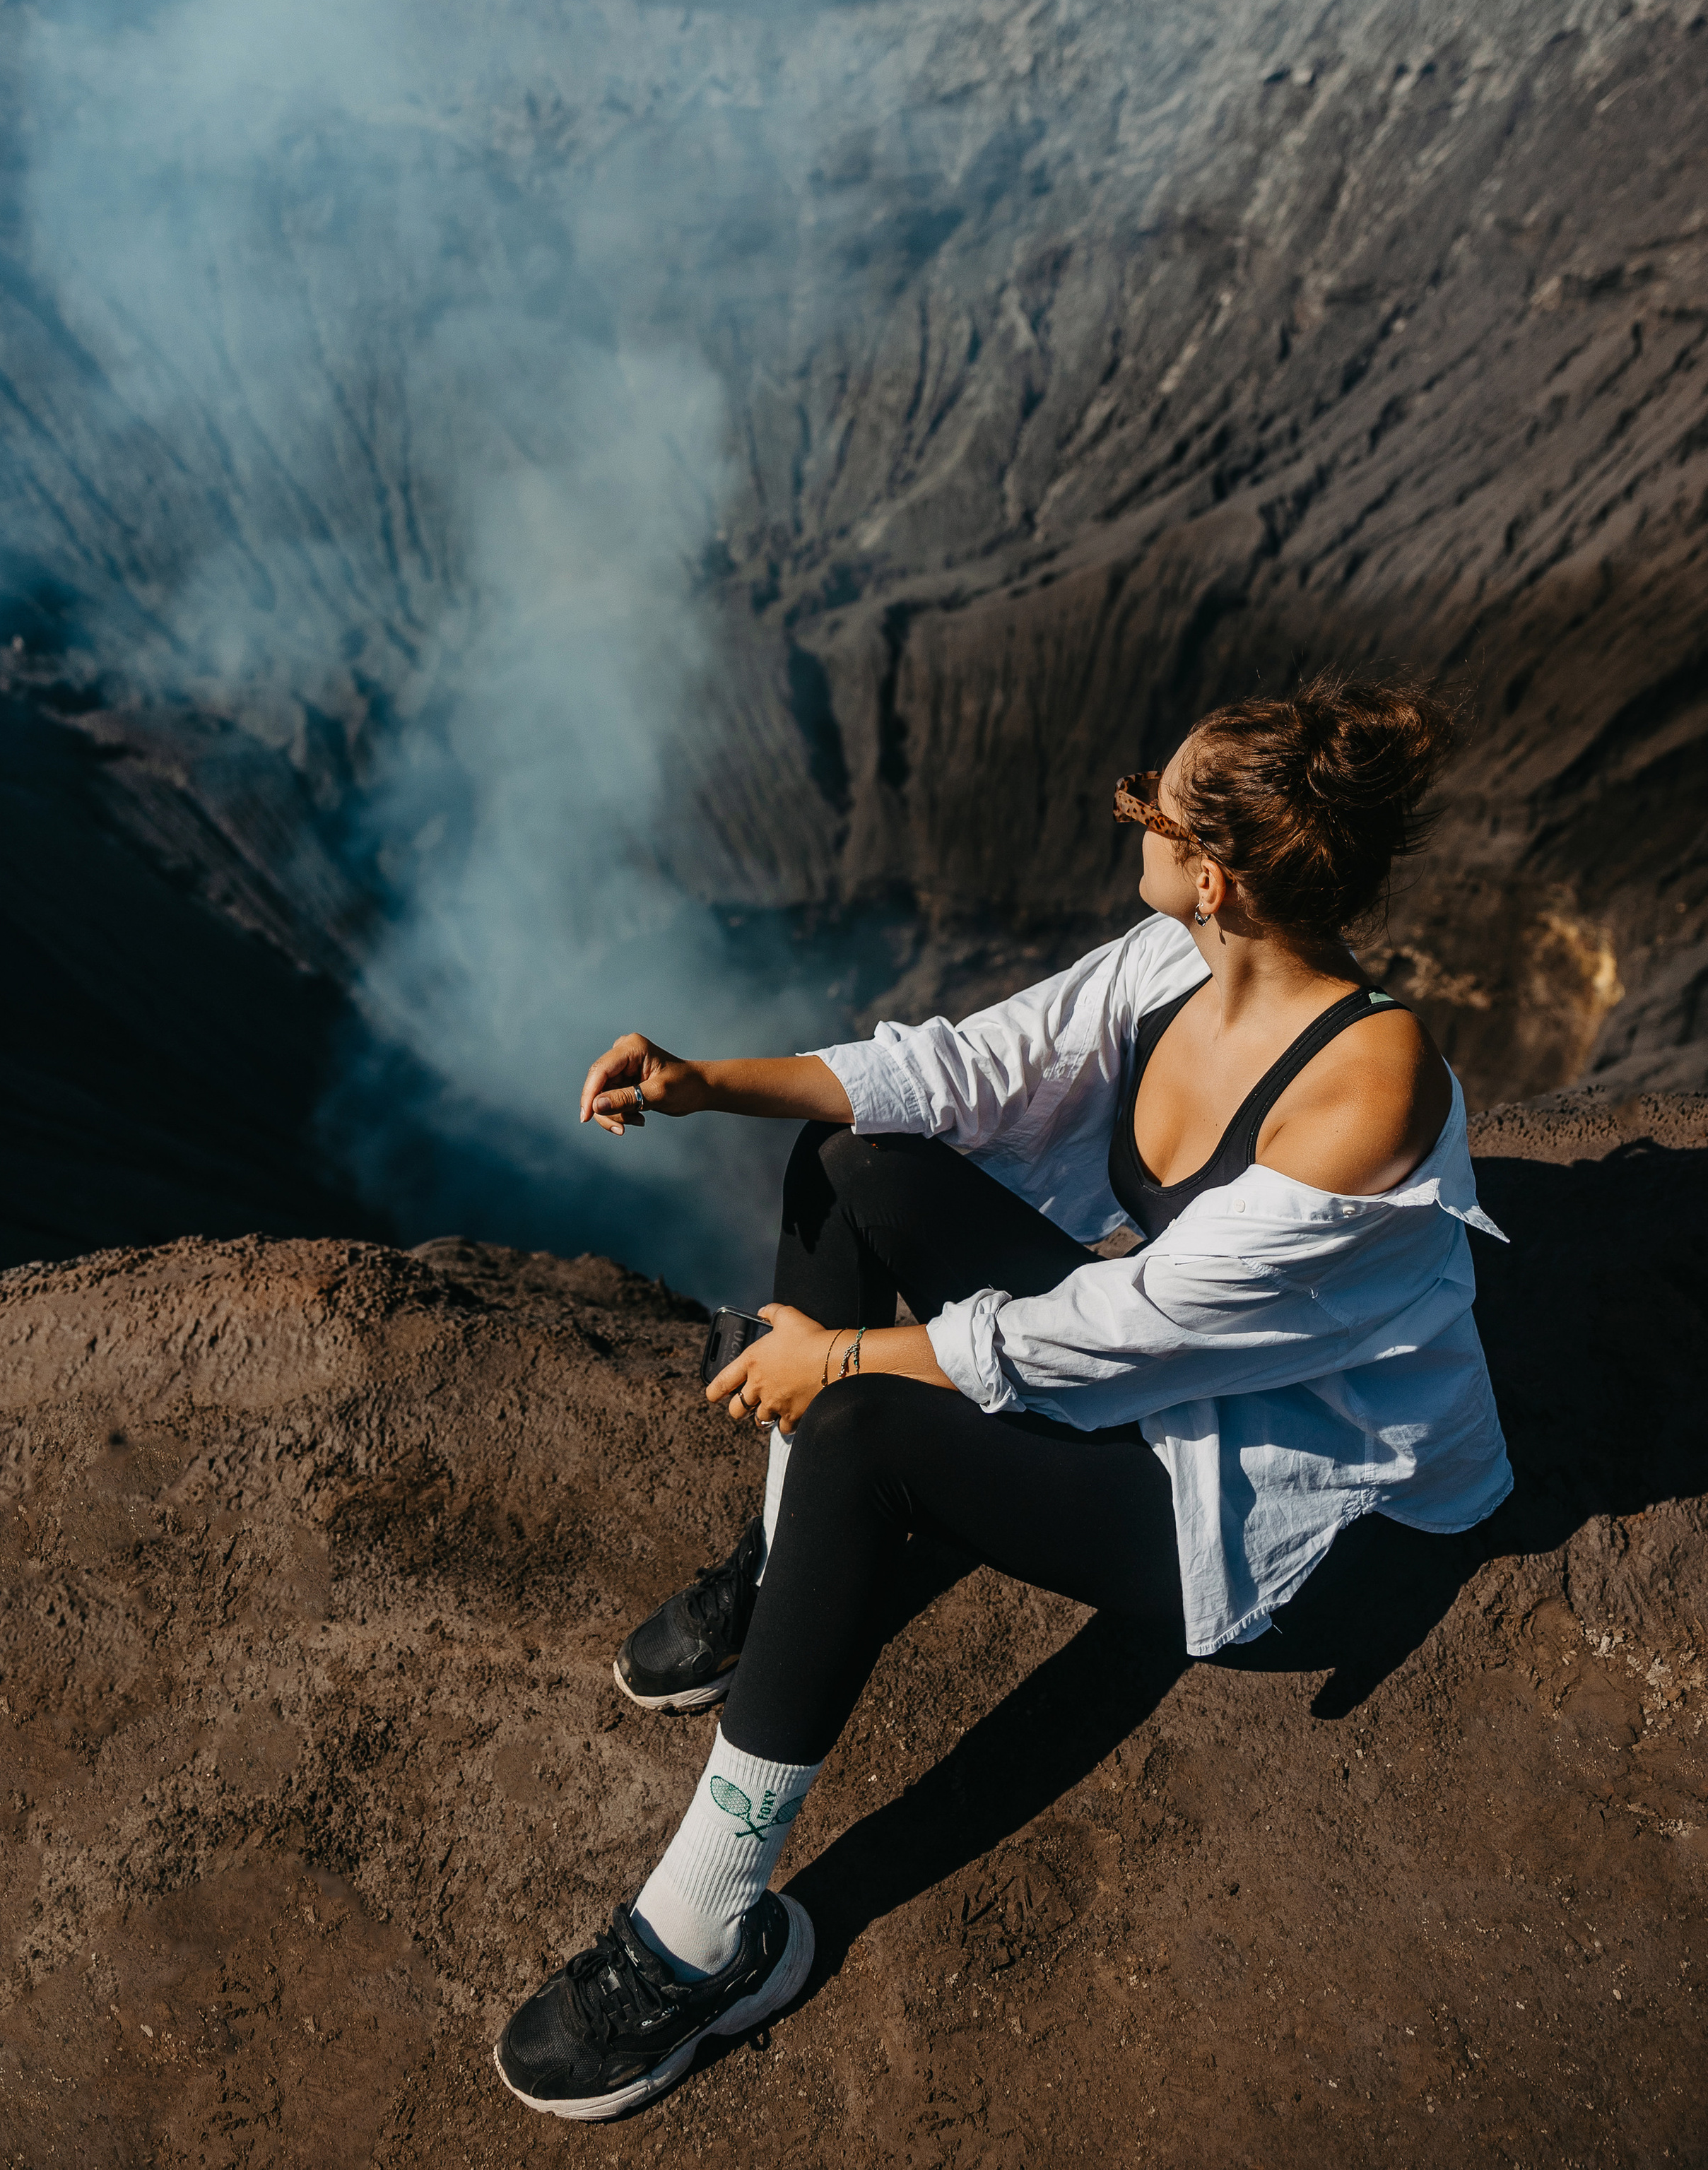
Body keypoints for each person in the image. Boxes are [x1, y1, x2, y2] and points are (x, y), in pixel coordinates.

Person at [492, 673, 1513, 2121]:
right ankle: (792, 1576)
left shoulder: (1368, 1081)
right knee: (847, 1157)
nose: (1126, 824)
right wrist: (710, 1079)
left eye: (1138, 810)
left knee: (861, 1435)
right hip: (1178, 1391)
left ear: (1210, 874)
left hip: (1301, 1520)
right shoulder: (1180, 967)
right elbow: (968, 1070)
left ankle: (697, 1939)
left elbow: (1126, 1325)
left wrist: (837, 1360)